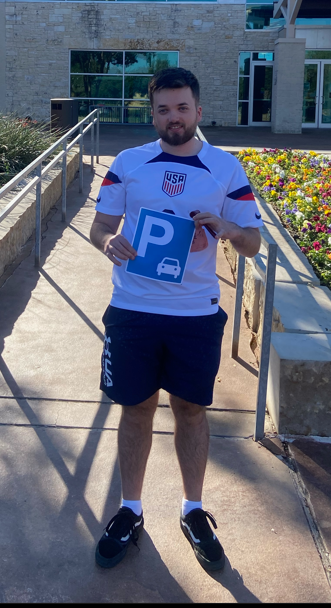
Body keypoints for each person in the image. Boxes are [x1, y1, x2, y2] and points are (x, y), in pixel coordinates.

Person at [90, 66, 262, 572]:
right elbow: (100, 226)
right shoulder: (128, 163)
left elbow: (252, 243)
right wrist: (109, 241)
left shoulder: (225, 167)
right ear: (153, 114)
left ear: (198, 111)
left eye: (182, 108)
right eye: (164, 109)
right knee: (136, 409)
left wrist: (228, 228)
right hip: (133, 310)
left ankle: (193, 510)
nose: (174, 117)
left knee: (190, 410)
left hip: (194, 313)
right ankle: (130, 509)